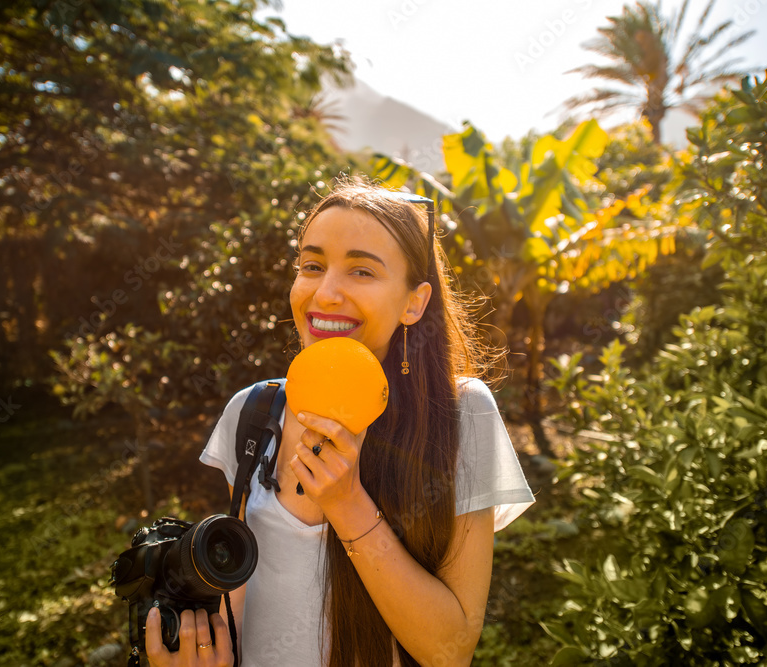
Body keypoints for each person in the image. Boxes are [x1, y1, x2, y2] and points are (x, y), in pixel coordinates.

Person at [145, 177, 534, 667]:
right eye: (312, 265)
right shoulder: (252, 412)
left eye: (362, 271)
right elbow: (240, 599)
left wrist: (348, 504)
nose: (325, 293)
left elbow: (449, 651)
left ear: (414, 302)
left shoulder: (460, 415)